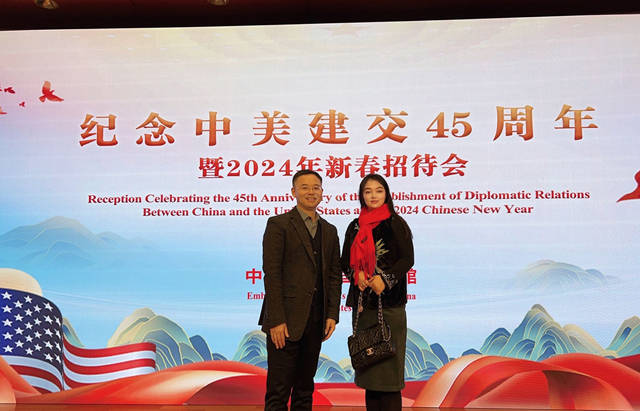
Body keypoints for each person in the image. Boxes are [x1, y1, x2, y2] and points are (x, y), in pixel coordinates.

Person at [259, 169, 342, 411]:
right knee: (278, 391)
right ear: (293, 192)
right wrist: (276, 320)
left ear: (322, 193)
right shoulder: (278, 224)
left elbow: (334, 275)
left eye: (316, 187)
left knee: (305, 390)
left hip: (316, 322)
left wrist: (332, 314)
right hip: (284, 323)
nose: (311, 192)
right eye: (304, 187)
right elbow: (272, 274)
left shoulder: (329, 230)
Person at [341, 173, 414, 411]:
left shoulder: (396, 223)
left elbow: (407, 260)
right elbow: (344, 261)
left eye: (379, 190)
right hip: (364, 309)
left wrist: (385, 279)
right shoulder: (354, 226)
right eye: (368, 191)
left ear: (387, 194)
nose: (373, 195)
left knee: (389, 379)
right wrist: (357, 275)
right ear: (361, 195)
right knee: (370, 376)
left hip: (390, 307)